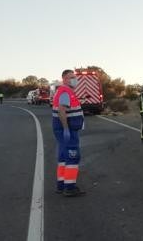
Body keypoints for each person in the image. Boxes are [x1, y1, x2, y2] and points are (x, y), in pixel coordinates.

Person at [51, 69, 86, 197]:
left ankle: (61, 185)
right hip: (68, 130)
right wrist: (66, 128)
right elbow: (61, 111)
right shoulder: (65, 91)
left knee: (63, 157)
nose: (74, 79)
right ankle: (69, 187)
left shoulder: (63, 91)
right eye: (71, 77)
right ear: (65, 79)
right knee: (72, 156)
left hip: (63, 129)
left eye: (74, 77)